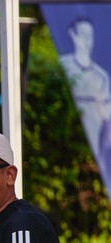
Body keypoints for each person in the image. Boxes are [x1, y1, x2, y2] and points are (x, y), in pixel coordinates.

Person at [59, 17, 111, 159]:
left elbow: (106, 114)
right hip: (64, 136)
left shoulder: (101, 76)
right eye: (83, 34)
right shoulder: (62, 66)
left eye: (90, 35)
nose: (87, 40)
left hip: (94, 140)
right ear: (73, 35)